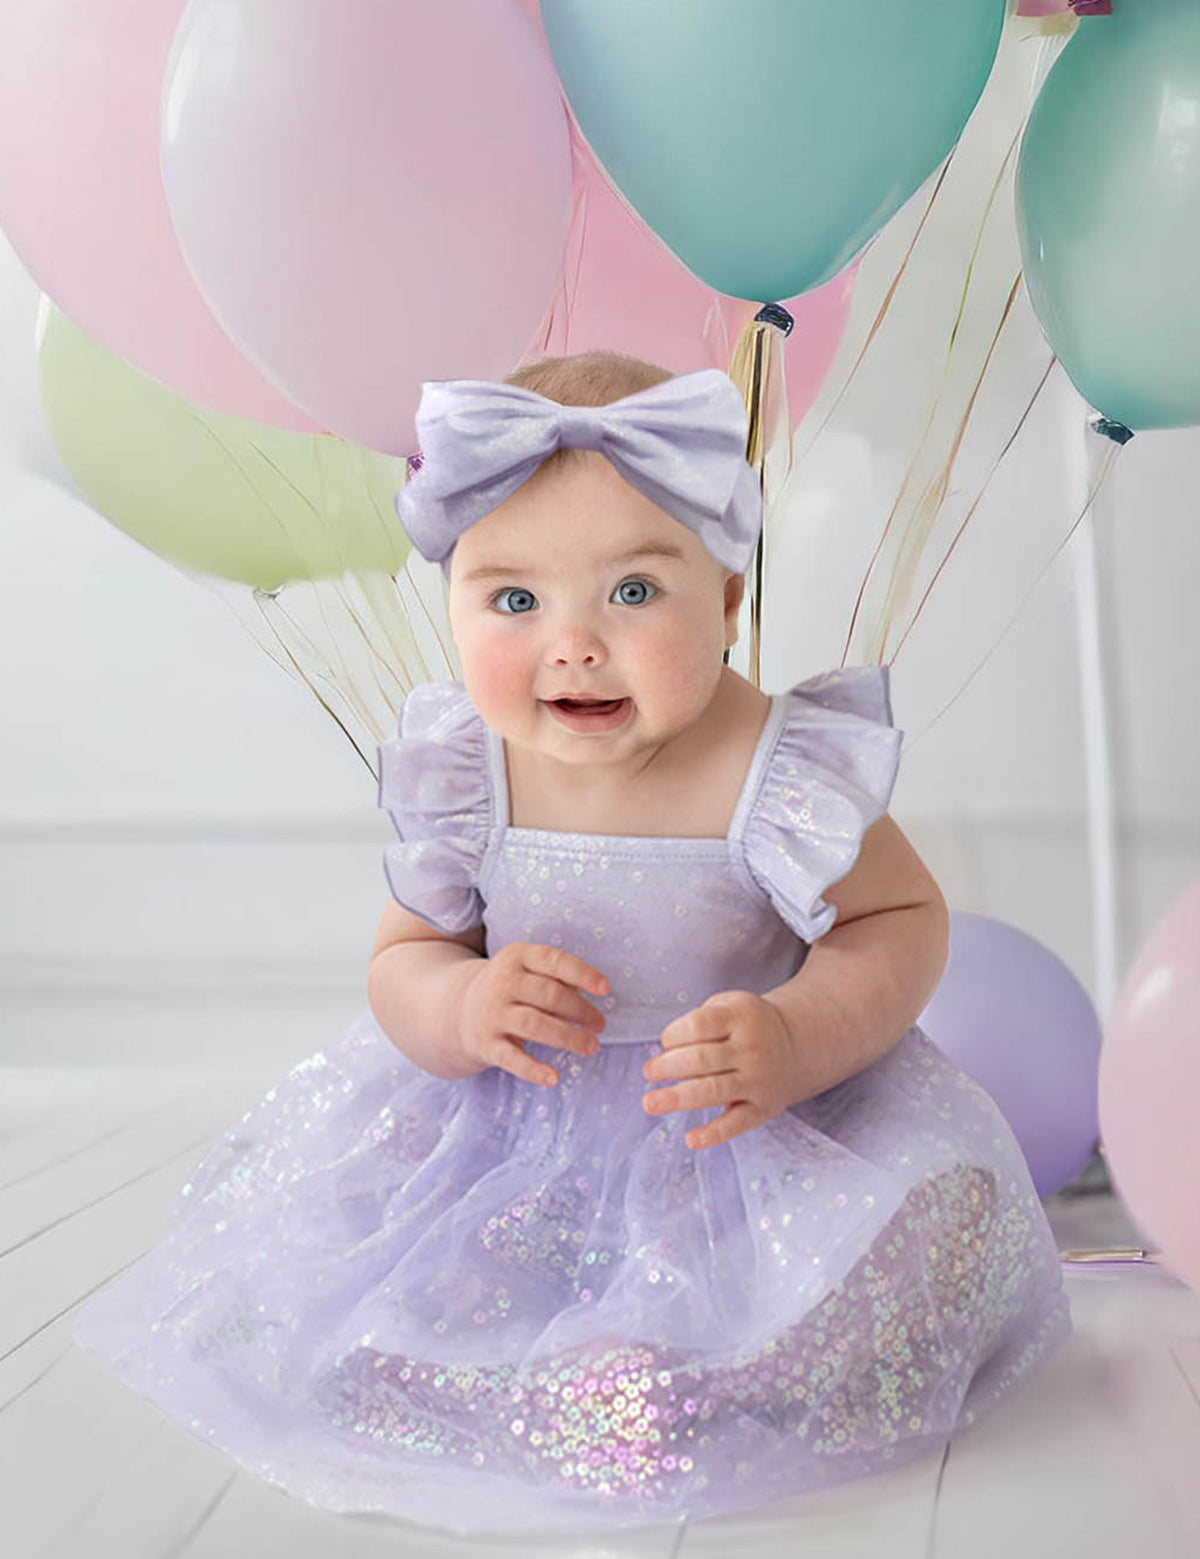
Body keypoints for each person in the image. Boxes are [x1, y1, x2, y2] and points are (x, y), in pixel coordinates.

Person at [74, 350, 1072, 1536]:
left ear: (732, 604)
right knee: (421, 1288)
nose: (574, 643)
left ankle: (706, 1382)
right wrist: (460, 1005)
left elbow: (901, 922)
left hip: (736, 1123)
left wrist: (798, 1032)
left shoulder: (775, 763)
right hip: (514, 1137)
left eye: (636, 593)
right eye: (513, 600)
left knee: (889, 1247)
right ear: (452, 604)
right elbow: (403, 958)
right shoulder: (466, 770)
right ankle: (520, 1377)